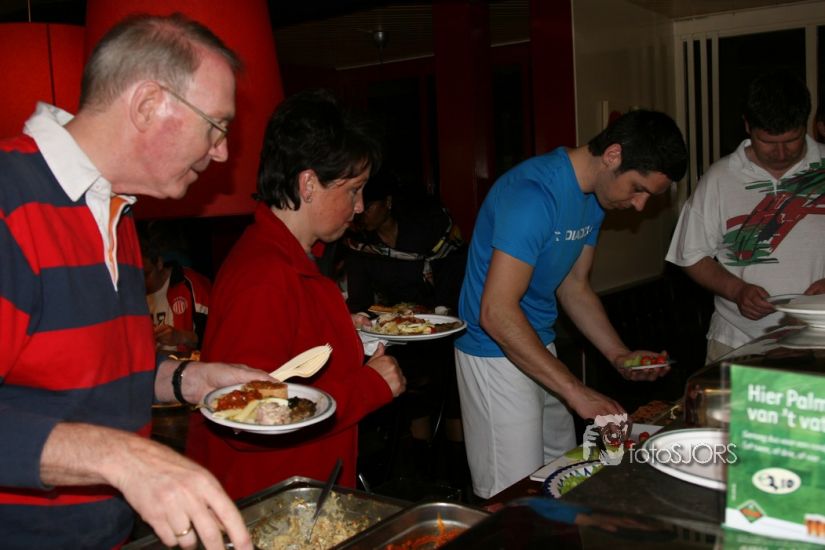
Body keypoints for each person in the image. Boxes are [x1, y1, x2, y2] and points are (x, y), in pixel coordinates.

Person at [0, 14, 272, 550]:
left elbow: (93, 377)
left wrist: (187, 380)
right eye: (216, 125)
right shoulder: (9, 204)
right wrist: (122, 457)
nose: (222, 150)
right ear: (148, 105)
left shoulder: (116, 212)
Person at [454, 109, 688, 499]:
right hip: (493, 350)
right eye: (638, 188)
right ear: (612, 156)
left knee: (560, 478)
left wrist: (618, 355)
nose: (640, 205)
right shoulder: (532, 195)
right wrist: (576, 391)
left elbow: (574, 286)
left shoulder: (594, 199)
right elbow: (496, 312)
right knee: (514, 498)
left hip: (537, 342)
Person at [185, 89, 406, 500]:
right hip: (271, 509)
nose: (360, 206)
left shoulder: (294, 258)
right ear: (308, 184)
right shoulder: (263, 275)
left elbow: (288, 355)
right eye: (353, 190)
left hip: (298, 497)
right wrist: (370, 386)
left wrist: (343, 331)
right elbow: (247, 418)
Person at [667, 69, 825, 364]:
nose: (781, 153)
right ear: (747, 126)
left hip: (820, 341)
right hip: (736, 341)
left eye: (792, 140)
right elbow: (690, 255)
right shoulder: (719, 178)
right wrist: (736, 290)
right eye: (768, 142)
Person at [344, 168, 467, 480]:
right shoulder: (361, 246)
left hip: (444, 324)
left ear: (387, 203)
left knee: (452, 391)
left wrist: (438, 310)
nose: (361, 212)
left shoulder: (427, 229)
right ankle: (421, 472)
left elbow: (455, 270)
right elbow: (359, 301)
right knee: (412, 391)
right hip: (401, 333)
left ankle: (457, 473)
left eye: (369, 205)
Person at [140, 222, 212, 355]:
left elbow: (216, 336)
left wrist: (180, 336)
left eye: (146, 275)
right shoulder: (130, 292)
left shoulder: (191, 284)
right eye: (135, 276)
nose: (140, 282)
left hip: (188, 365)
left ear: (159, 263)